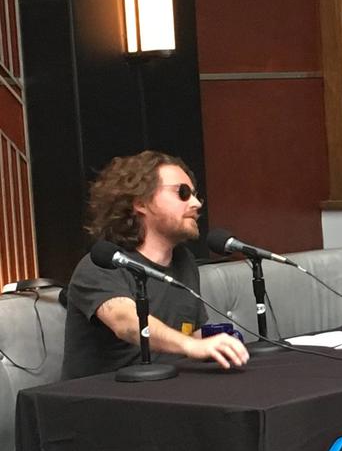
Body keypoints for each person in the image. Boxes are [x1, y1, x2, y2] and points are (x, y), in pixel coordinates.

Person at [62, 150, 249, 379]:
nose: (196, 203)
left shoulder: (183, 261)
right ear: (141, 203)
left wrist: (221, 345)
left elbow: (188, 334)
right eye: (182, 192)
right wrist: (192, 347)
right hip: (105, 399)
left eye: (195, 194)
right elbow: (127, 323)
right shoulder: (100, 265)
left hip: (166, 388)